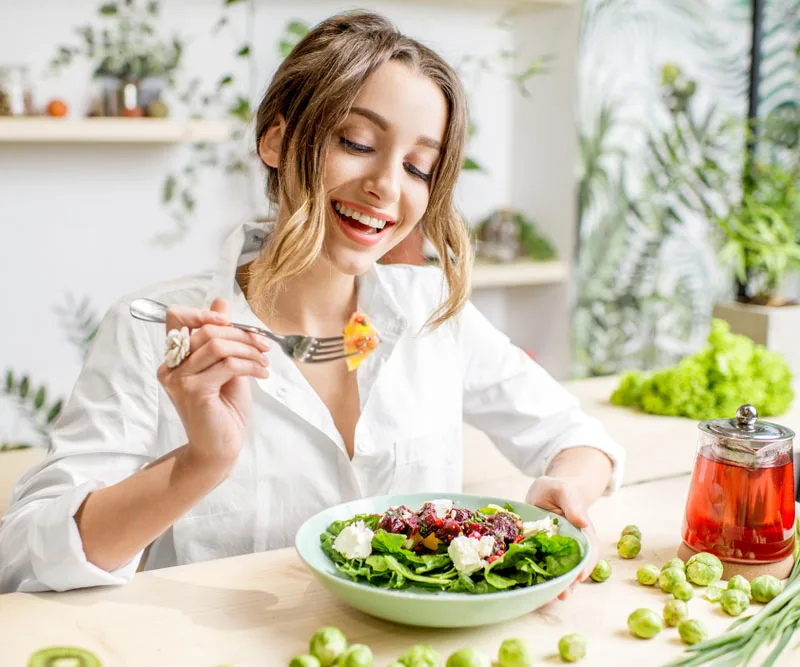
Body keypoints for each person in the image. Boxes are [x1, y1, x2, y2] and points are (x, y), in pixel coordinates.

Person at [0, 11, 624, 594]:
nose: (385, 185)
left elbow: (576, 438)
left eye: (418, 166)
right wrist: (200, 462)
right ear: (275, 140)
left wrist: (563, 490)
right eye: (355, 142)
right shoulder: (154, 330)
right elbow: (27, 556)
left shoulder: (433, 311)